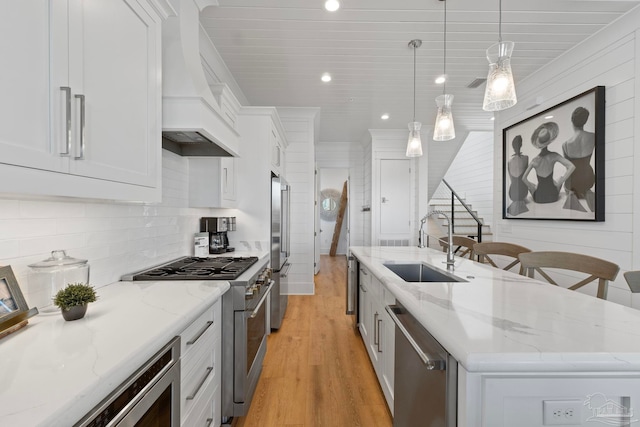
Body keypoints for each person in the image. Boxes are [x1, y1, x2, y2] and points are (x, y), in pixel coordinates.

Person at [522, 122, 575, 204]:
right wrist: (561, 181)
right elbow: (571, 166)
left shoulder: (534, 161)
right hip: (553, 196)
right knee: (558, 179)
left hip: (539, 198)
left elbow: (524, 179)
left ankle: (538, 187)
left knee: (533, 186)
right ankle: (555, 184)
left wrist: (532, 186)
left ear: (538, 142)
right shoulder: (554, 156)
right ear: (549, 141)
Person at [562, 106, 596, 212]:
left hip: (573, 182)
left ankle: (573, 193)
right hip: (589, 178)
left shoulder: (566, 144)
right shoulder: (594, 136)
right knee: (584, 187)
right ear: (585, 121)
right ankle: (586, 191)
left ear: (572, 120)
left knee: (567, 187)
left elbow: (568, 168)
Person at [507, 135, 529, 215]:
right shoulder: (526, 158)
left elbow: (511, 179)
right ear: (521, 145)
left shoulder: (509, 161)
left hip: (512, 192)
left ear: (513, 146)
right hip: (523, 191)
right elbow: (525, 177)